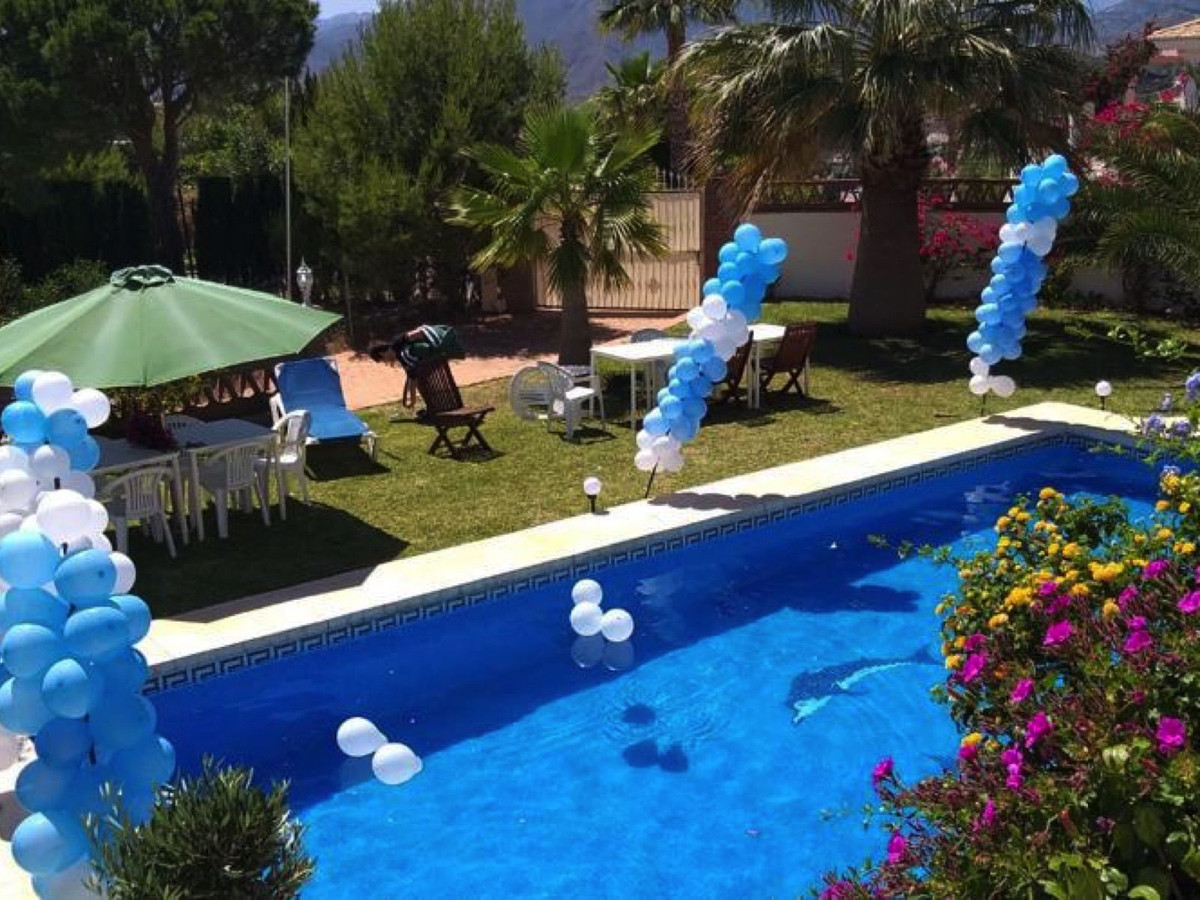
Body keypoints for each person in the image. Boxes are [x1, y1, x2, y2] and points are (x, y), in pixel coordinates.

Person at [368, 324, 465, 411]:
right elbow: (412, 379)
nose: (387, 363)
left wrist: (412, 401)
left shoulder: (401, 349)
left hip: (439, 344)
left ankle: (432, 406)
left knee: (421, 377)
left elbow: (412, 379)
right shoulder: (403, 356)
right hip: (442, 344)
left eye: (384, 360)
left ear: (382, 353)